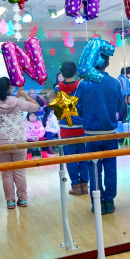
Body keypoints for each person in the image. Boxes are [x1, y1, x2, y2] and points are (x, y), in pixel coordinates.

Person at [75, 54, 124, 214]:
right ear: (107, 63)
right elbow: (120, 107)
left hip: (91, 133)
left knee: (94, 169)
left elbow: (78, 107)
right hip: (110, 132)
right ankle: (109, 201)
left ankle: (97, 203)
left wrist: (89, 115)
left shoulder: (84, 83)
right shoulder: (115, 83)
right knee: (111, 168)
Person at [0, 77, 40, 209]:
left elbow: (4, 101)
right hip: (19, 142)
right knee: (20, 172)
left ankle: (10, 201)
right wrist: (25, 95)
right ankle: (22, 199)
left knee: (6, 173)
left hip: (1, 143)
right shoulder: (17, 101)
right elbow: (36, 106)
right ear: (9, 88)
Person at [58, 61, 88, 196]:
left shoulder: (58, 88)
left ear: (61, 73)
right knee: (83, 157)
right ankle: (84, 185)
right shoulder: (82, 86)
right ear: (75, 72)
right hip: (81, 127)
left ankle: (75, 186)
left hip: (66, 129)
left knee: (71, 159)